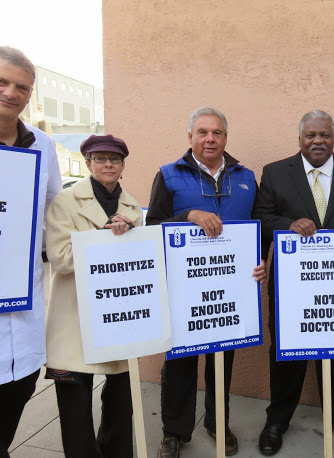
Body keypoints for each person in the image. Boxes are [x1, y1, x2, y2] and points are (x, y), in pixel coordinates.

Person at [254, 110, 334, 456]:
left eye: (324, 135)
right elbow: (261, 218)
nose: (317, 141)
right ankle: (277, 419)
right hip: (292, 286)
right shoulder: (276, 172)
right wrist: (288, 224)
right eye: (310, 135)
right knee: (285, 354)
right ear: (300, 140)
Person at [147, 107, 266, 458]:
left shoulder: (245, 177)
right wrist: (188, 216)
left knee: (222, 361)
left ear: (226, 138)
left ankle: (218, 422)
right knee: (180, 362)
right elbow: (153, 226)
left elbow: (256, 226)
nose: (210, 138)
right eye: (202, 132)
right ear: (190, 138)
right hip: (184, 289)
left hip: (231, 289)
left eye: (216, 132)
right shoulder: (169, 175)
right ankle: (175, 432)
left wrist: (261, 261)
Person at [45, 134, 141, 458]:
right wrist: (106, 239)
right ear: (88, 164)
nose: (108, 164)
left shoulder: (132, 208)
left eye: (114, 159)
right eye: (100, 158)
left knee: (121, 403)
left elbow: (138, 261)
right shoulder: (64, 202)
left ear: (123, 165)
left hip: (117, 316)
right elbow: (60, 257)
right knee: (74, 410)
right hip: (73, 318)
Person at [0, 46, 61, 458]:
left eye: (22, 87)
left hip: (21, 295)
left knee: (19, 383)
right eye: (2, 83)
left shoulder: (41, 144)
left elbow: (57, 210)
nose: (11, 93)